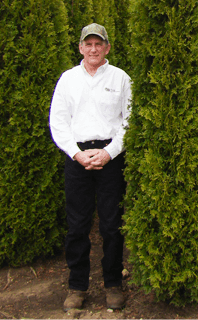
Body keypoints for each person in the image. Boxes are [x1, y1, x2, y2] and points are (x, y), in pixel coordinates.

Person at [49, 23, 131, 311]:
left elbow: (129, 122)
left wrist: (109, 153)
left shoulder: (121, 78)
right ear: (81, 48)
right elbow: (58, 121)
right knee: (77, 225)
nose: (93, 49)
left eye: (99, 44)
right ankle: (77, 285)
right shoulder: (68, 79)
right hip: (77, 159)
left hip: (110, 158)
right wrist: (76, 153)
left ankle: (113, 283)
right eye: (88, 44)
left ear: (107, 47)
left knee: (111, 225)